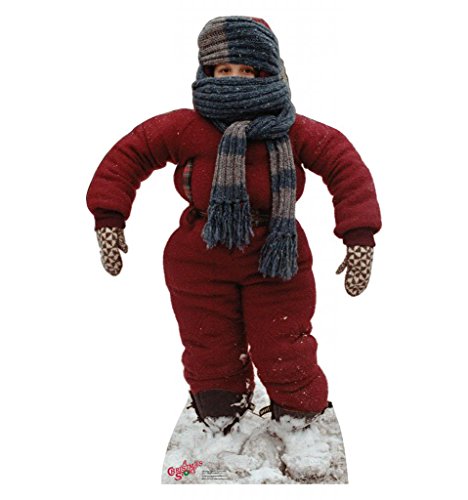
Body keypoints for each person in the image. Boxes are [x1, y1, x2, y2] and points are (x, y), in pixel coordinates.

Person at [86, 16, 382, 435]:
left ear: (268, 72)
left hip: (275, 257)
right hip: (199, 257)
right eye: (224, 69)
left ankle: (300, 421)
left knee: (284, 343)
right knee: (208, 343)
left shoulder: (292, 129)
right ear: (207, 72)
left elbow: (345, 168)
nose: (235, 79)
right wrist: (109, 217)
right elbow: (129, 155)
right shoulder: (186, 126)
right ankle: (220, 413)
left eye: (247, 69)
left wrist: (359, 236)